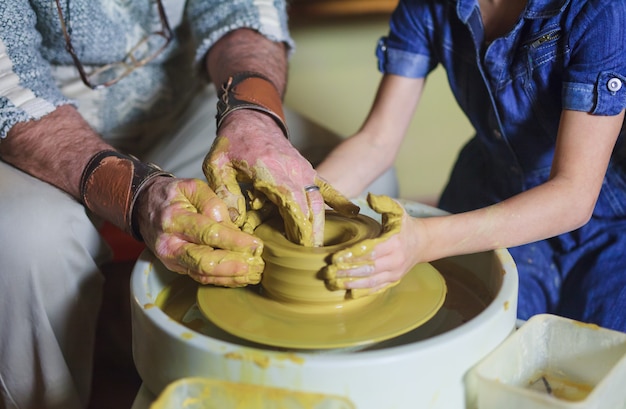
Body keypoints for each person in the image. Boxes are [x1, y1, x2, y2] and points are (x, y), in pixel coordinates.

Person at [0, 1, 361, 408]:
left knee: (336, 172)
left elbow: (242, 10)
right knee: (29, 240)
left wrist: (253, 117)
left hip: (173, 111)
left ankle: (131, 323)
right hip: (34, 135)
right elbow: (10, 88)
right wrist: (136, 196)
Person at [317, 0, 626, 332]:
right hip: (492, 196)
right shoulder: (427, 7)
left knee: (605, 356)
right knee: (471, 339)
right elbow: (377, 141)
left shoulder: (599, 9)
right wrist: (303, 198)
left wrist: (424, 239)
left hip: (606, 220)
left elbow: (574, 196)